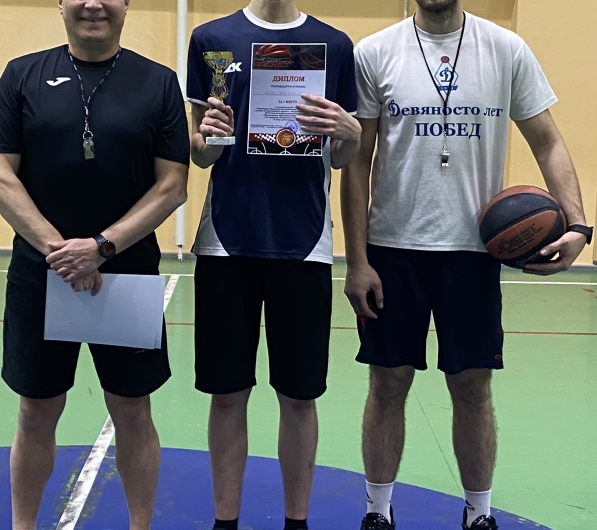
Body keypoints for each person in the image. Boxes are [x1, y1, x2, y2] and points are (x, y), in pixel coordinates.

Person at [341, 1, 593, 529]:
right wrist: (357, 260)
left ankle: (479, 515)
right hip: (393, 250)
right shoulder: (374, 52)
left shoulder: (505, 49)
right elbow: (357, 161)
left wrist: (578, 225)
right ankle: (377, 512)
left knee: (473, 387)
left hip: (475, 253)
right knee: (387, 384)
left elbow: (547, 140)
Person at [0, 0, 189, 528]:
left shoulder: (159, 82)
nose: (94, 3)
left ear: (125, 4)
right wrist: (63, 253)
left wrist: (100, 247)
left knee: (133, 411)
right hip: (41, 273)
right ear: (61, 3)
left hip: (127, 273)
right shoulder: (21, 76)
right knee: (36, 412)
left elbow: (172, 186)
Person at [186, 1, 360, 529]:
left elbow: (339, 156)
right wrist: (208, 136)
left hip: (304, 243)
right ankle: (225, 522)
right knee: (226, 395)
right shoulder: (211, 39)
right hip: (226, 242)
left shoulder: (335, 45)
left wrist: (350, 133)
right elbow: (200, 152)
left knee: (300, 397)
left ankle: (296, 522)